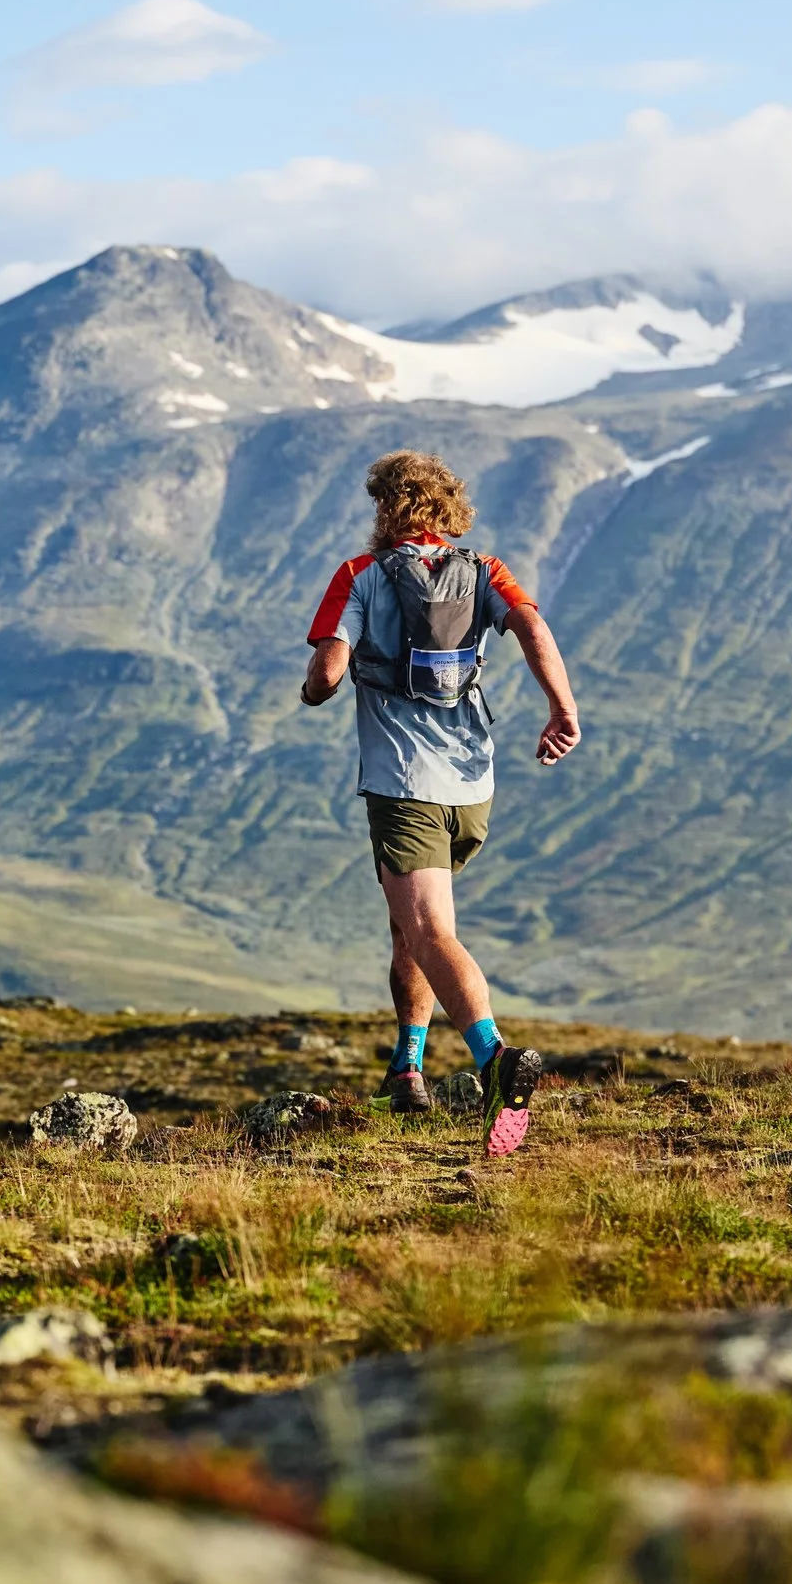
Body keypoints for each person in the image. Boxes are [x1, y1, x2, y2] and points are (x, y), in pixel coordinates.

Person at [301, 451, 580, 1157]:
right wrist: (561, 709)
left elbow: (329, 673)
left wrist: (316, 688)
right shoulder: (486, 572)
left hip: (404, 785)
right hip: (472, 787)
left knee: (429, 932)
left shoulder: (359, 578)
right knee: (409, 927)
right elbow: (534, 631)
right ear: (447, 510)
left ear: (385, 509)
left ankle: (495, 1062)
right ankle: (408, 1068)